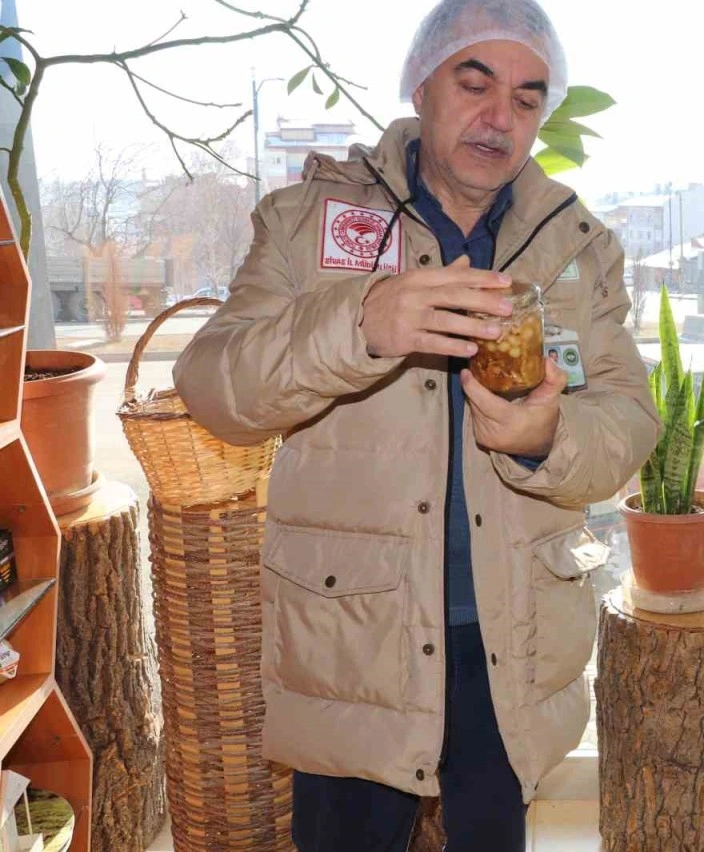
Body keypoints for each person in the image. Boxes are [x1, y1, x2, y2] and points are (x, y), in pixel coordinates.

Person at [173, 1, 660, 849]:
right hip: (356, 641)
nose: (499, 117)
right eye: (475, 84)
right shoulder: (309, 222)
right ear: (421, 86)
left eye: (526, 98)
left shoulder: (576, 244)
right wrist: (359, 324)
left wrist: (547, 438)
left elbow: (629, 420)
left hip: (512, 642)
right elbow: (213, 387)